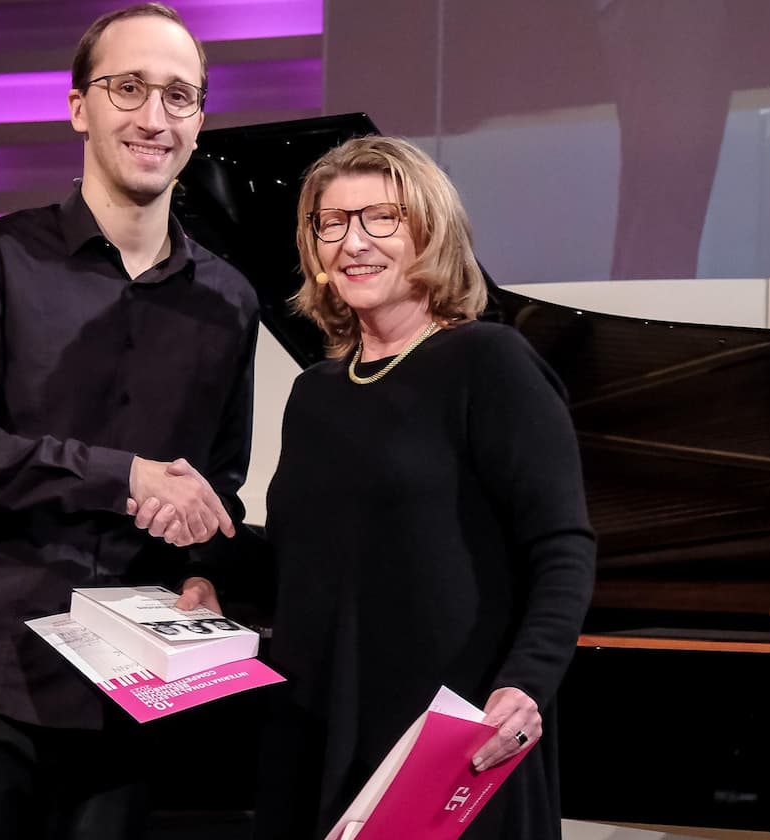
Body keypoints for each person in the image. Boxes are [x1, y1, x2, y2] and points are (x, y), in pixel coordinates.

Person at [0, 4, 258, 838]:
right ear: (77, 107)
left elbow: (217, 481)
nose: (153, 116)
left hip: (127, 686)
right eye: (128, 87)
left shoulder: (230, 301)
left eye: (179, 95)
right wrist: (122, 475)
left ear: (200, 121)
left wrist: (205, 569)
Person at [252, 135, 596, 839]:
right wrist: (201, 563)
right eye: (332, 222)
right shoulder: (316, 392)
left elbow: (561, 546)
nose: (353, 242)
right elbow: (304, 558)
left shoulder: (487, 361)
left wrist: (523, 683)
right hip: (317, 727)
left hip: (447, 739)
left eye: (381, 218)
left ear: (428, 235)